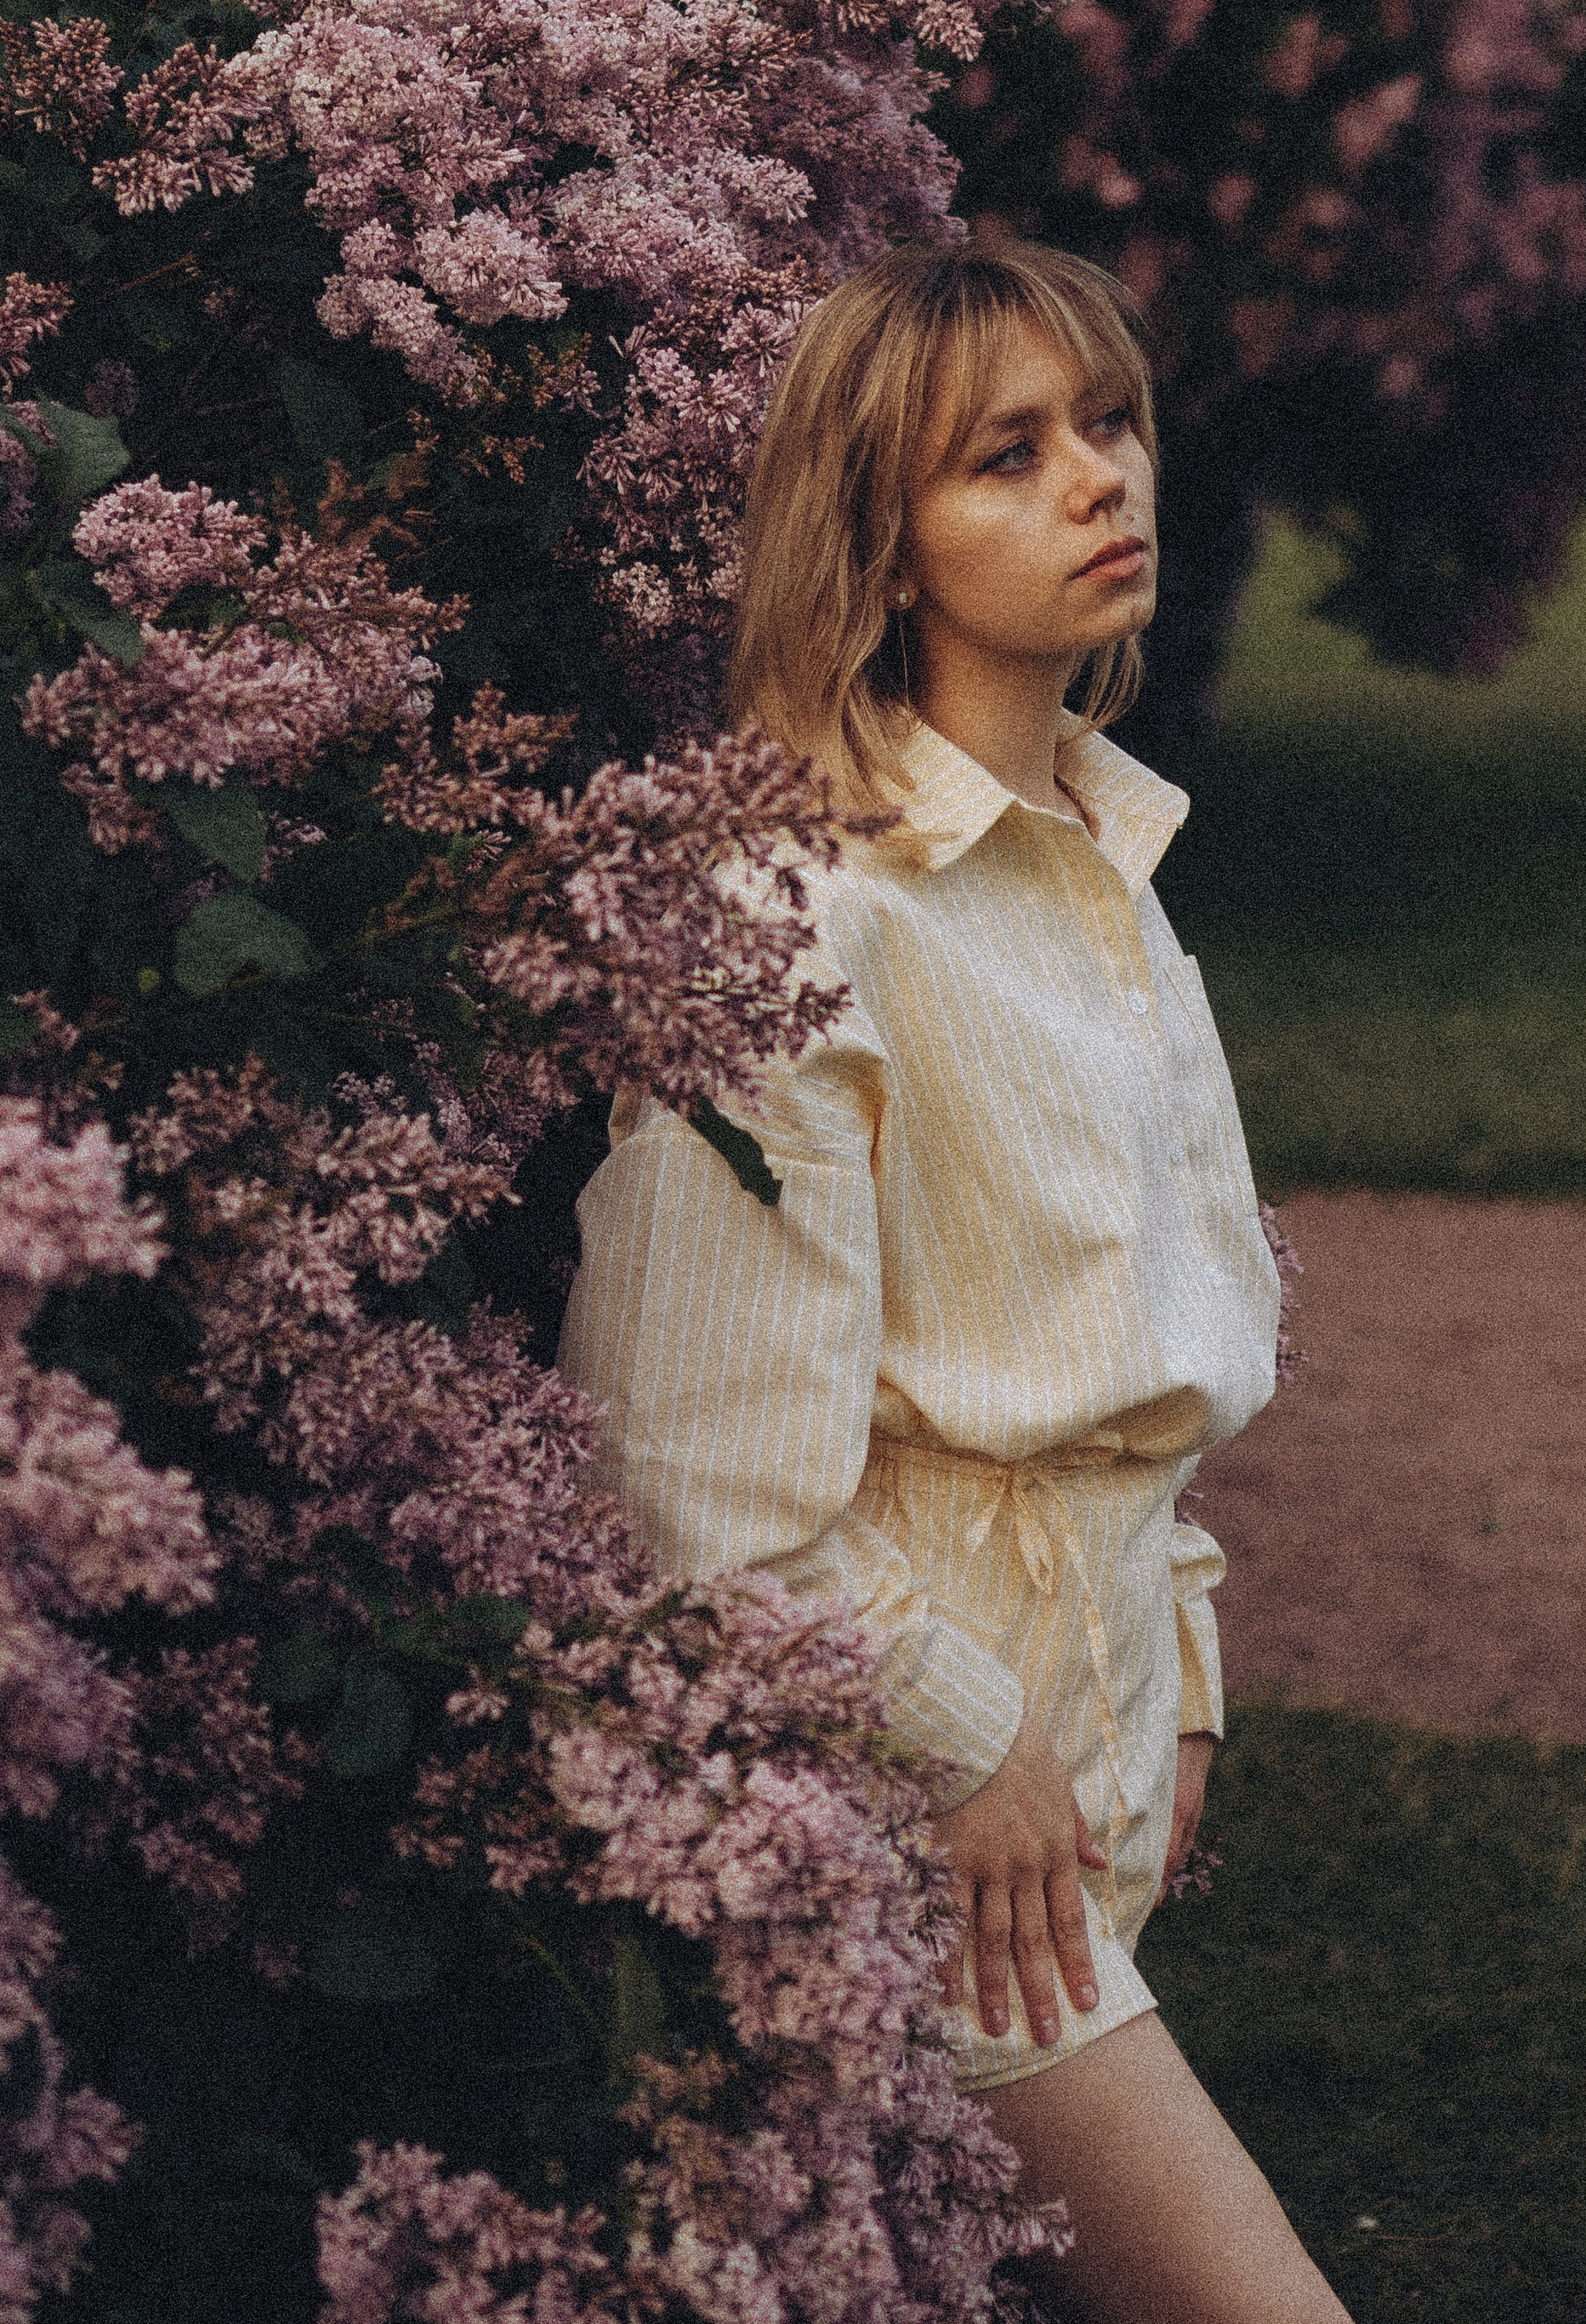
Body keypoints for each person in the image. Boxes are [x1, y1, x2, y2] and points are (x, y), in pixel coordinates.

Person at [560, 240, 1350, 2324]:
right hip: (907, 1813)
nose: (1102, 481)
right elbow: (687, 1499)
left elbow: (1141, 1356)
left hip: (1078, 1782)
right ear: (880, 541)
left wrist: (1175, 1676)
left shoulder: (1105, 866)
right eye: (1006, 456)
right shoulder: (796, 916)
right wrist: (962, 1740)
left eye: (1109, 424)